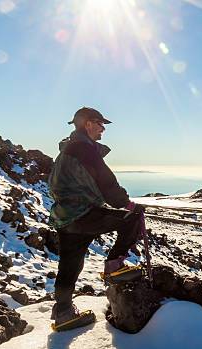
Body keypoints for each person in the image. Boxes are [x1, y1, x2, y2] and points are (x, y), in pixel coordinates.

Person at [48, 107, 144, 329]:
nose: (103, 129)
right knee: (132, 218)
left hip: (66, 217)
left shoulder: (68, 150)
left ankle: (63, 313)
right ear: (88, 124)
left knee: (70, 265)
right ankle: (114, 268)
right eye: (100, 123)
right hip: (84, 212)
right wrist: (126, 204)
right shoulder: (83, 148)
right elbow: (106, 182)